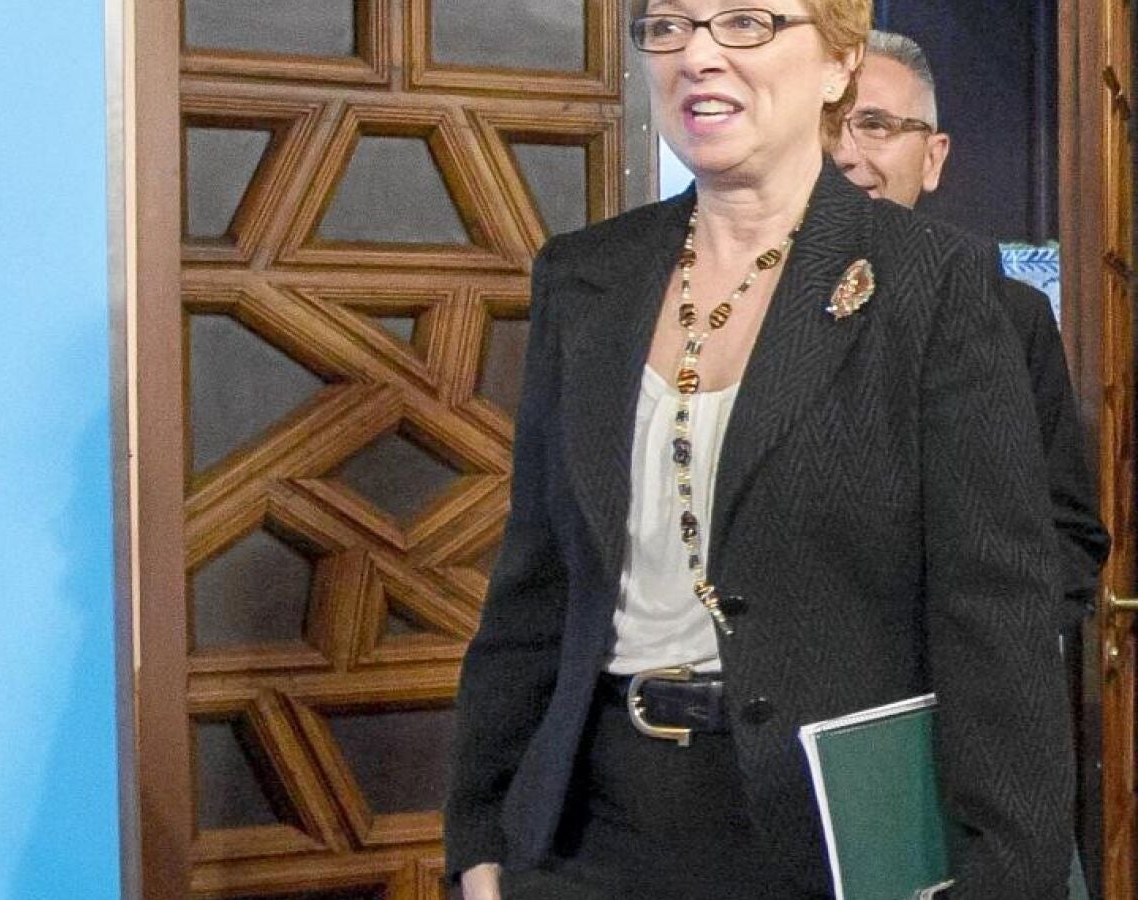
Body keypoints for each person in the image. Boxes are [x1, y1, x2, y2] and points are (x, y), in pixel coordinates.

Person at [444, 2, 1075, 898]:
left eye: (744, 23)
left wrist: (1008, 875)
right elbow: (535, 580)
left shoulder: (935, 283)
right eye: (670, 26)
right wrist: (478, 838)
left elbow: (996, 616)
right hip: (586, 830)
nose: (698, 54)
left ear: (835, 64)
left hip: (825, 832)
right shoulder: (585, 275)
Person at [832, 30, 1109, 628]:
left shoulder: (1012, 315)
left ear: (933, 158)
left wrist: (987, 646)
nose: (844, 153)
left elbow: (1067, 536)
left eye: (875, 125)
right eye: (825, 125)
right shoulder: (738, 308)